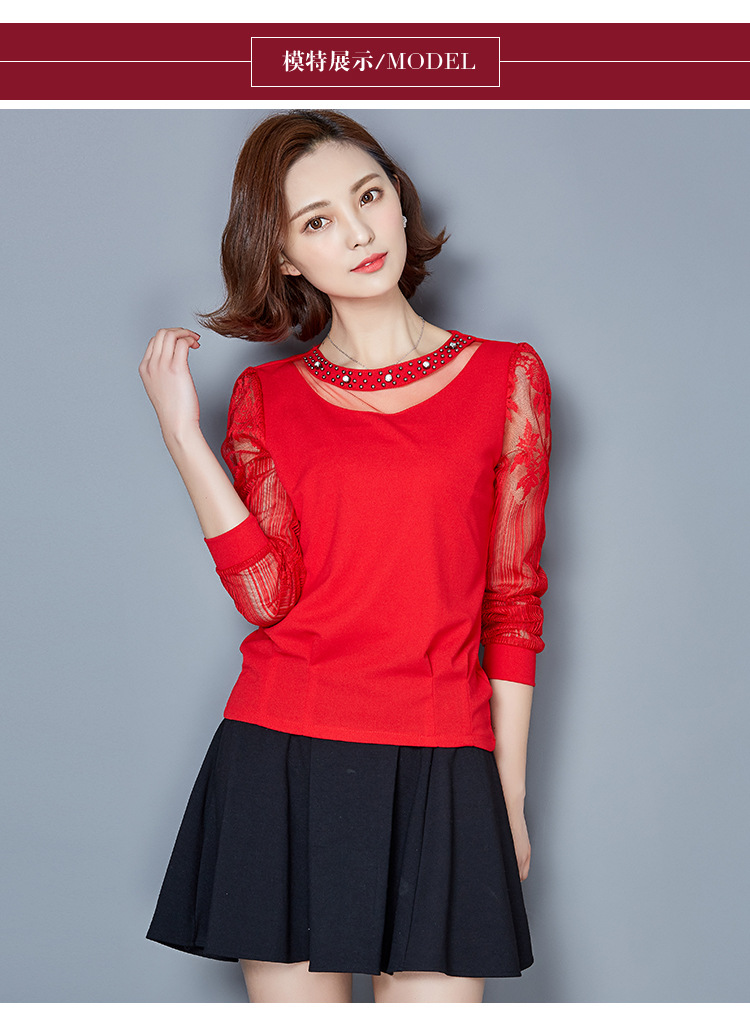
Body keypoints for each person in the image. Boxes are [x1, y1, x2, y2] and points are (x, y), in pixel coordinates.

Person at [140, 109, 551, 1004]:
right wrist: (183, 437)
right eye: (317, 220)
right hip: (282, 757)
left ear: (399, 201)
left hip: (442, 756)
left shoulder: (508, 377)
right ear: (286, 256)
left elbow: (512, 602)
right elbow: (267, 594)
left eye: (368, 198)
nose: (359, 233)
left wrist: (508, 797)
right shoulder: (264, 397)